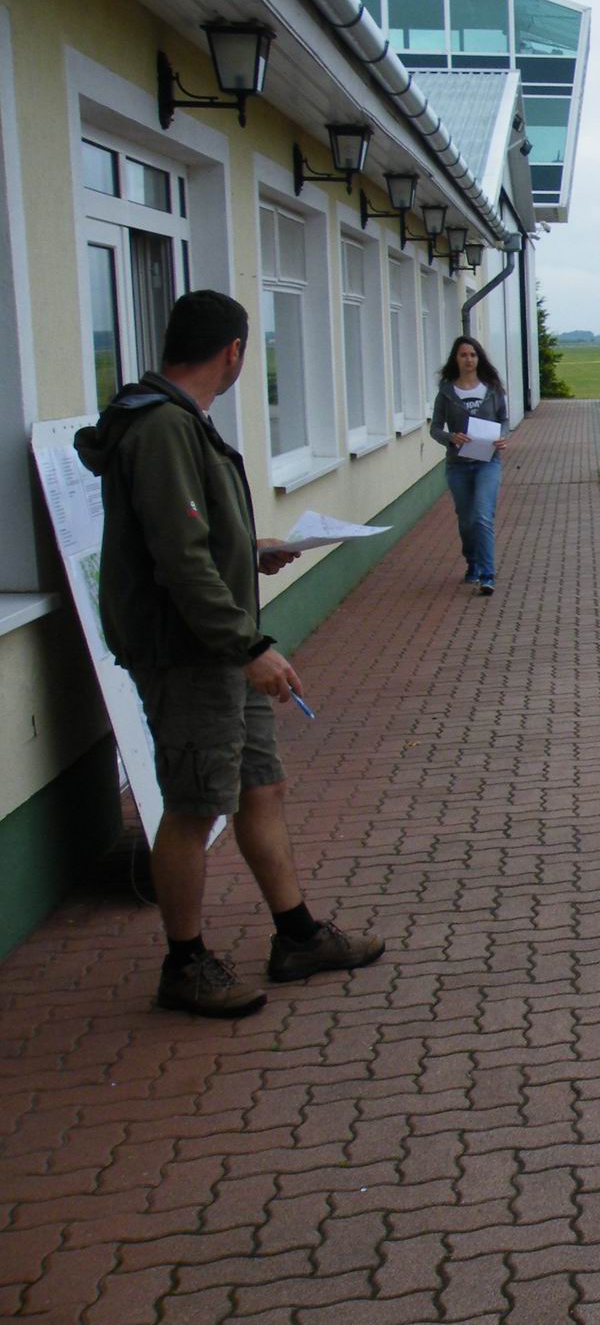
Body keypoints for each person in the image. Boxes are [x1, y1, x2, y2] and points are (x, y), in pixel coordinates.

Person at [73, 290, 385, 1019]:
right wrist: (250, 646)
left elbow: (191, 539)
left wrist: (250, 549)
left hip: (219, 646)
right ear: (234, 351)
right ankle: (184, 965)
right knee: (194, 807)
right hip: (193, 655)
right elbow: (179, 560)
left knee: (261, 787)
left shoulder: (182, 420)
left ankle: (297, 936)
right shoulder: (161, 428)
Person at [429, 336, 511, 597]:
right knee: (466, 520)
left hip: (487, 462)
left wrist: (502, 437)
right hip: (458, 465)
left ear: (479, 358)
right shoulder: (446, 392)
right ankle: (472, 561)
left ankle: (488, 575)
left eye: (473, 355)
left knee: (482, 515)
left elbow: (504, 420)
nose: (469, 359)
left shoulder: (492, 389)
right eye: (463, 355)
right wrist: (450, 437)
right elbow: (435, 428)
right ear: (456, 359)